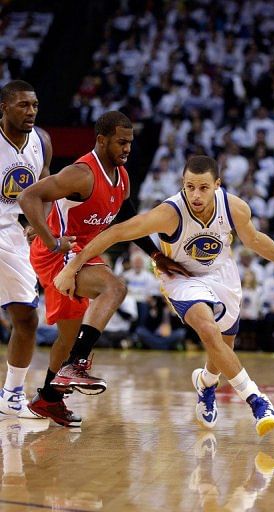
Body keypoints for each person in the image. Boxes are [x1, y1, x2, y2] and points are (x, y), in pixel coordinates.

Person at [54, 155, 274, 436]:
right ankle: (258, 401)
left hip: (222, 274)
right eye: (189, 186)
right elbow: (117, 232)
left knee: (223, 346)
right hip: (181, 277)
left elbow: (254, 240)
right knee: (208, 331)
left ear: (217, 185)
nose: (195, 194)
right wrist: (72, 267)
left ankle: (207, 383)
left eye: (204, 188)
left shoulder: (235, 208)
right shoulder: (170, 213)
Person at [17, 110, 188, 427]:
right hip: (59, 254)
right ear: (101, 140)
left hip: (84, 254)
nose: (127, 148)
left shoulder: (121, 178)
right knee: (115, 287)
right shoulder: (82, 173)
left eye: (130, 143)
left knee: (67, 339)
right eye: (121, 142)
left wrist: (155, 254)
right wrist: (49, 237)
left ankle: (48, 399)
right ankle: (76, 365)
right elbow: (30, 195)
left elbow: (126, 217)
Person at [0, 80, 52, 418]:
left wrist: (38, 223)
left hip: (12, 234)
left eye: (33, 105)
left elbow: (45, 188)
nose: (31, 111)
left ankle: (12, 394)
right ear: (4, 108)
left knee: (27, 318)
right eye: (23, 105)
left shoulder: (42, 141)